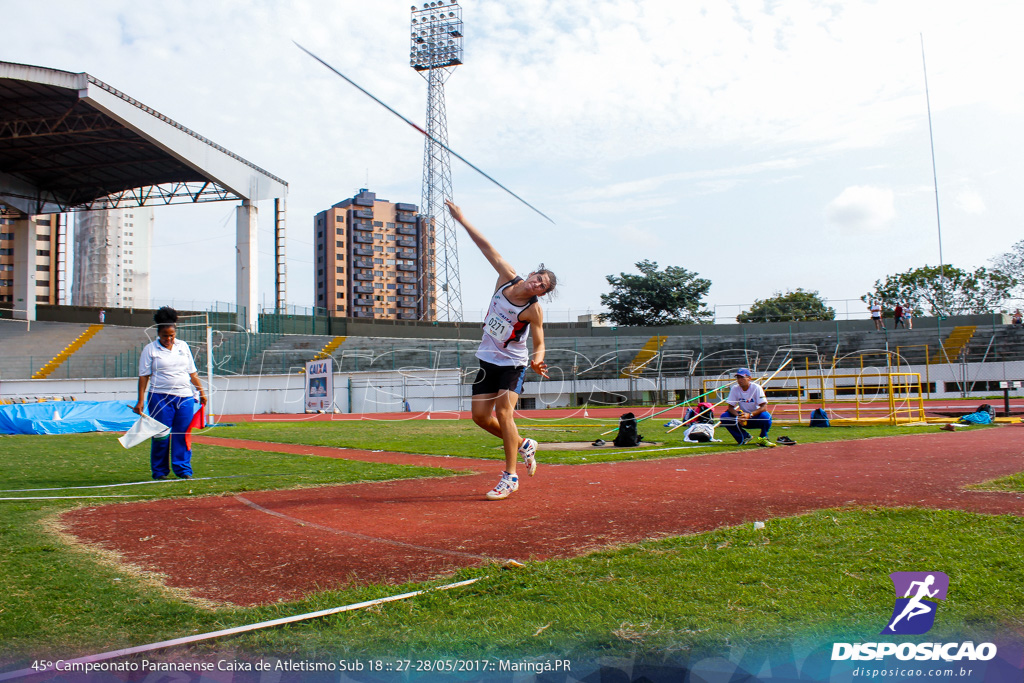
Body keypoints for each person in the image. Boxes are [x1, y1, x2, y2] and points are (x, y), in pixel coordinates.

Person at [446, 199, 556, 500]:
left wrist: (537, 360)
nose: (537, 285)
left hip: (513, 365)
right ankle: (524, 444)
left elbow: (540, 341)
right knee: (480, 418)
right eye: (538, 278)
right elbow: (486, 247)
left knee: (504, 413)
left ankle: (510, 477)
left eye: (543, 287)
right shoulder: (507, 276)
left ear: (543, 294)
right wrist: (462, 219)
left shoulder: (534, 310)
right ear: (532, 274)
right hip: (488, 360)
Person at [132, 307, 207, 480]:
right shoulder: (150, 350)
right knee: (161, 435)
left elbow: (192, 373)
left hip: (185, 397)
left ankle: (183, 470)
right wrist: (140, 401)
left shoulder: (183, 347)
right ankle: (159, 472)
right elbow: (144, 376)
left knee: (182, 434)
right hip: (159, 397)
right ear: (158, 334)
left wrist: (201, 392)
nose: (169, 339)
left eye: (172, 335)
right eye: (165, 336)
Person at [719, 368, 775, 447]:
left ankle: (763, 438)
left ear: (749, 378)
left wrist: (750, 415)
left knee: (766, 417)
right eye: (738, 378)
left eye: (742, 377)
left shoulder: (756, 388)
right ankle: (743, 437)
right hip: (743, 417)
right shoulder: (735, 389)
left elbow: (764, 407)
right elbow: (730, 407)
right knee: (725, 417)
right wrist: (739, 416)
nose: (740, 380)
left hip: (755, 416)